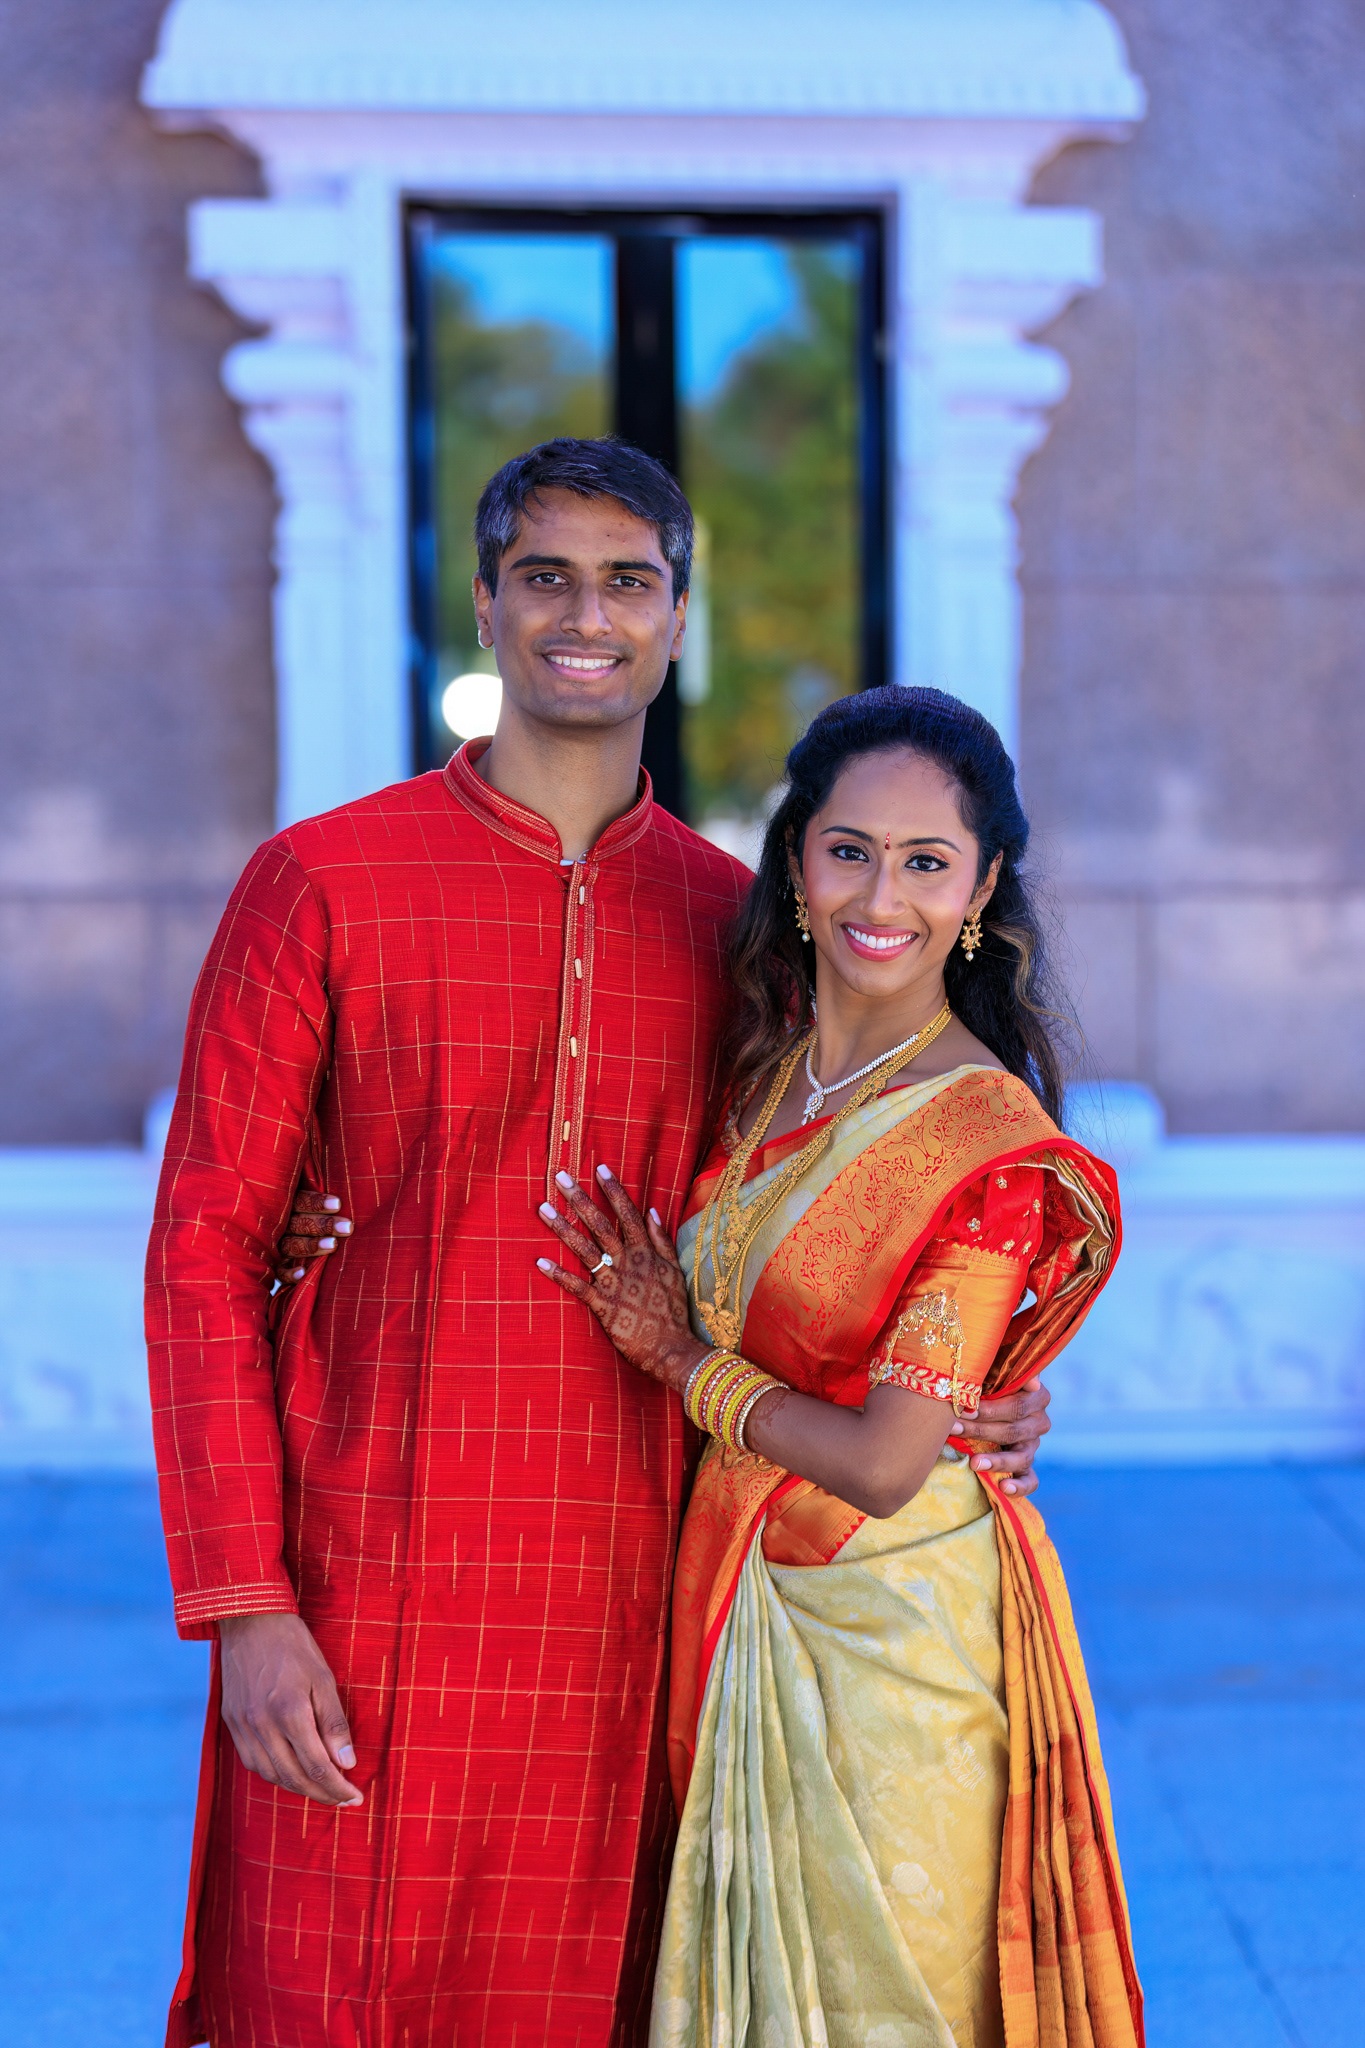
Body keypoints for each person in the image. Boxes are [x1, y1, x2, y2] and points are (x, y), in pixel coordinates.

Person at [147, 438, 1051, 2048]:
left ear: (676, 619)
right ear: (485, 605)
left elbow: (848, 1210)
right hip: (358, 1573)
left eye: (627, 581)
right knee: (323, 1996)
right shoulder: (322, 885)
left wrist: (972, 1383)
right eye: (545, 577)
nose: (586, 615)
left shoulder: (736, 930)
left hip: (632, 1591)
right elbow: (203, 1252)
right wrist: (244, 1603)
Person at [534, 686, 1145, 2047]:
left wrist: (678, 1356)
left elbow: (884, 1461)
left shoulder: (983, 1141)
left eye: (927, 863)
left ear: (980, 888)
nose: (882, 897)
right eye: (849, 851)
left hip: (889, 1644)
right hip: (733, 1592)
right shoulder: (762, 1067)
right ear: (796, 860)